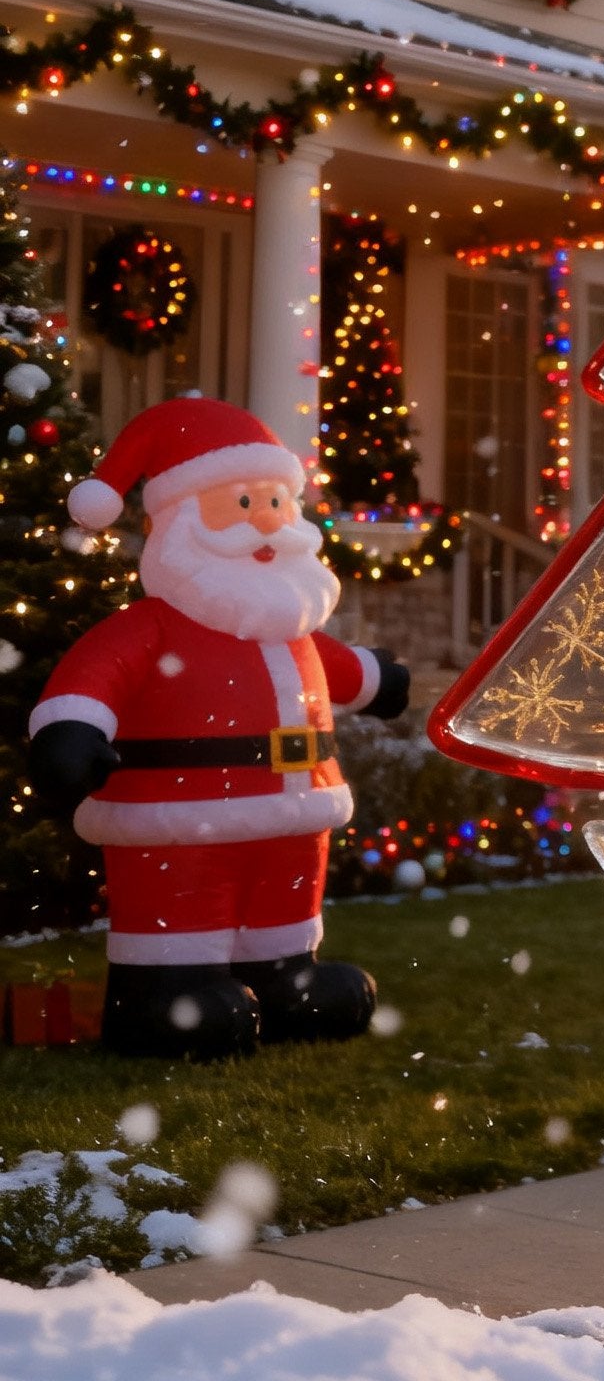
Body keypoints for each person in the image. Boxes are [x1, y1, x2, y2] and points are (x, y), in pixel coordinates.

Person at [28, 397, 409, 1059]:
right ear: (177, 522)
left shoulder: (293, 626)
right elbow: (95, 675)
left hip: (295, 816)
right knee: (181, 913)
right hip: (178, 815)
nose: (265, 522)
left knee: (282, 913)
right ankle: (163, 995)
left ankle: (288, 981)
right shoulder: (151, 627)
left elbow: (338, 668)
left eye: (275, 502)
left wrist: (378, 681)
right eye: (239, 504)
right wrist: (71, 730)